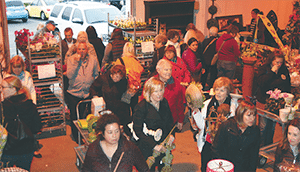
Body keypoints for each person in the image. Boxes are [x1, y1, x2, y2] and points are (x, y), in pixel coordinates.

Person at [192, 77, 238, 172]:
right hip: (209, 140)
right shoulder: (207, 104)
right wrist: (196, 111)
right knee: (205, 166)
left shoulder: (233, 106)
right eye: (216, 89)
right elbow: (202, 126)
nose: (218, 93)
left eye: (222, 90)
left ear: (228, 92)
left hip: (226, 143)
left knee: (223, 167)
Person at [82, 112, 149, 172]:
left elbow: (144, 169)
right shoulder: (93, 149)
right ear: (102, 133)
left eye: (117, 131)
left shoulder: (130, 148)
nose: (114, 135)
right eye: (110, 132)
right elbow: (86, 169)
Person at [132, 77, 174, 171]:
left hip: (163, 143)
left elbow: (169, 122)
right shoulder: (141, 107)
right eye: (156, 91)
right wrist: (154, 146)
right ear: (149, 92)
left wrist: (171, 135)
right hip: (147, 146)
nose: (159, 94)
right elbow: (138, 130)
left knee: (163, 167)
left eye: (161, 90)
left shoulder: (164, 102)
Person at [1, 76, 42, 171]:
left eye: (3, 87)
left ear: (13, 89)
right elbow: (37, 127)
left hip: (8, 150)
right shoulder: (30, 105)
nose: (1, 90)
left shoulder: (3, 107)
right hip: (27, 149)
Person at [254, 50, 291, 149]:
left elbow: (287, 84)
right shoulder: (264, 69)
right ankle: (259, 147)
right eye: (276, 62)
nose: (279, 64)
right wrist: (271, 73)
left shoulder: (283, 70)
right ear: (271, 61)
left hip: (277, 103)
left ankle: (268, 146)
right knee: (263, 126)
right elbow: (261, 83)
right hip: (264, 101)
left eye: (280, 62)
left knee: (272, 127)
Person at [212, 100, 260, 172]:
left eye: (254, 115)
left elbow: (254, 155)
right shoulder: (226, 126)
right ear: (240, 114)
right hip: (226, 167)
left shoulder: (255, 131)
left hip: (243, 168)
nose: (252, 119)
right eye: (249, 115)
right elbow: (216, 148)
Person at [66, 42, 100, 142]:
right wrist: (76, 63)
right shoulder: (71, 59)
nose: (81, 51)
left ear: (87, 50)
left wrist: (94, 87)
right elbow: (69, 75)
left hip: (88, 92)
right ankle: (76, 136)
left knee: (90, 116)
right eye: (79, 49)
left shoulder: (93, 59)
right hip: (74, 92)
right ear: (77, 50)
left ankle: (89, 135)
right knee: (75, 116)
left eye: (83, 49)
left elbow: (96, 73)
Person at [89, 65, 131, 136]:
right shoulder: (103, 79)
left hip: (119, 110)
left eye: (120, 78)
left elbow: (125, 97)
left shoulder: (123, 81)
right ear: (112, 73)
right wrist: (95, 97)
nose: (118, 79)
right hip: (106, 109)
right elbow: (93, 88)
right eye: (117, 77)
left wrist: (129, 94)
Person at [154, 59, 186, 131]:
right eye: (166, 70)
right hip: (154, 120)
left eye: (170, 70)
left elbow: (180, 104)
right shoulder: (151, 83)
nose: (169, 72)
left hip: (171, 120)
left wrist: (180, 120)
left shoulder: (177, 84)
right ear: (158, 70)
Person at [115, 42, 144, 110]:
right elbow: (141, 71)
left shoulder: (120, 61)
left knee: (125, 107)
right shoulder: (136, 61)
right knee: (134, 107)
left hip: (125, 89)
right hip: (135, 89)